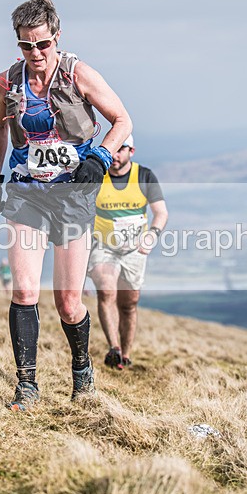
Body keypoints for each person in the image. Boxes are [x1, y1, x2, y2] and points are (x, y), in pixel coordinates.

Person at [0, 0, 132, 411]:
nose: (35, 53)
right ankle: (26, 387)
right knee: (24, 290)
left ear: (57, 37)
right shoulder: (5, 83)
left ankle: (82, 372)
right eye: (26, 45)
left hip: (71, 196)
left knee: (68, 302)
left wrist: (100, 158)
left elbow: (123, 120)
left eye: (42, 44)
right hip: (27, 191)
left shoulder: (79, 73)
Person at [87, 134, 168, 370]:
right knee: (106, 291)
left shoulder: (144, 176)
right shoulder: (98, 177)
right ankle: (114, 348)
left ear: (131, 151)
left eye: (121, 149)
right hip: (104, 246)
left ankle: (126, 354)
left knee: (129, 304)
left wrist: (152, 234)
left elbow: (161, 213)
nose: (115, 154)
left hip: (134, 249)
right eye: (112, 149)